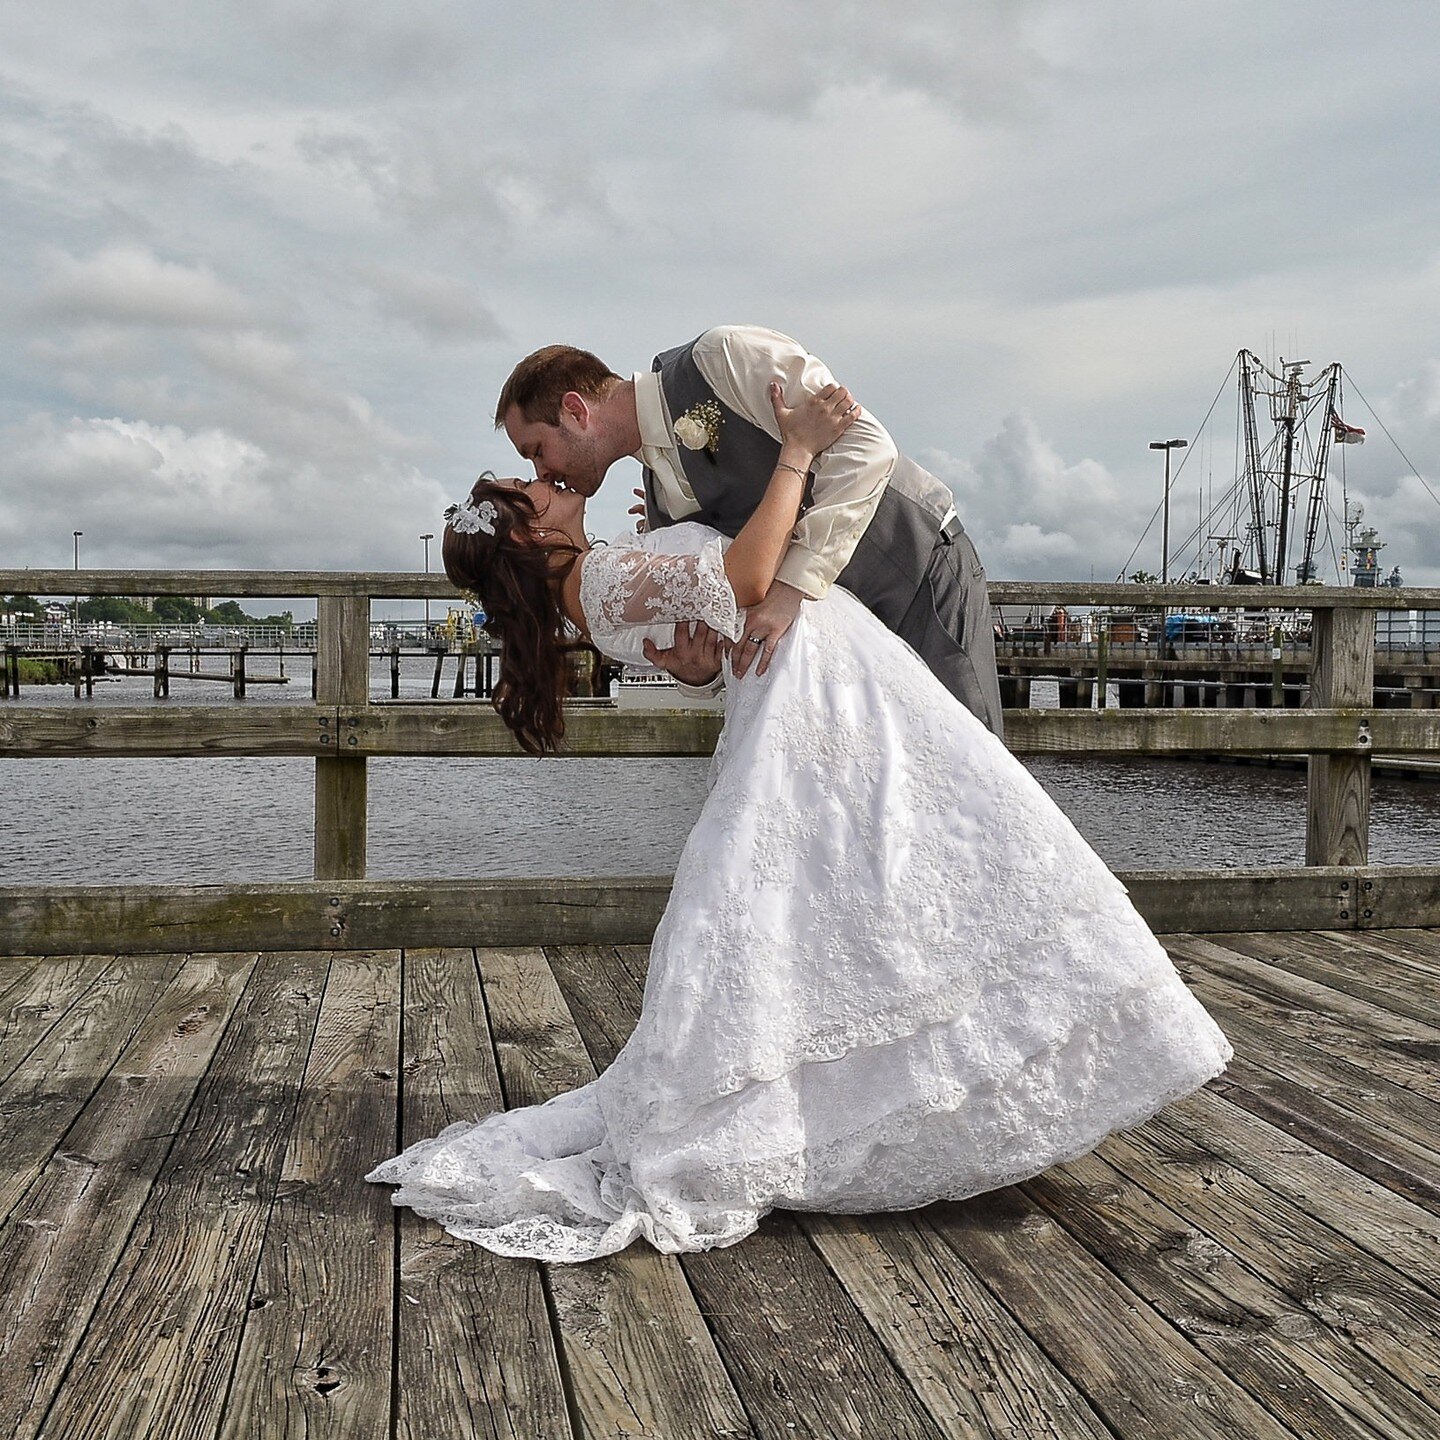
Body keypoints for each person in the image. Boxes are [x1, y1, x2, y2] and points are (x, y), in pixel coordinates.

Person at [365, 381, 1233, 1262]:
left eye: (536, 466)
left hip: (811, 676)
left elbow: (703, 628)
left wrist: (689, 592)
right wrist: (798, 450)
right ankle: (915, 1089)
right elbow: (744, 576)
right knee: (896, 868)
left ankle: (907, 1082)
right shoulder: (599, 575)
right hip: (812, 686)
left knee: (869, 881)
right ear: (534, 535)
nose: (547, 481)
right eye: (534, 491)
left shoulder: (601, 569)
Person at [494, 326, 1004, 736]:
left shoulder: (722, 358)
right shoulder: (660, 505)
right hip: (847, 653)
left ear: (576, 411)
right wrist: (697, 675)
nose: (542, 473)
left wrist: (790, 589)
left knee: (976, 771)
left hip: (916, 577)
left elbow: (868, 448)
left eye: (537, 450)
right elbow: (727, 617)